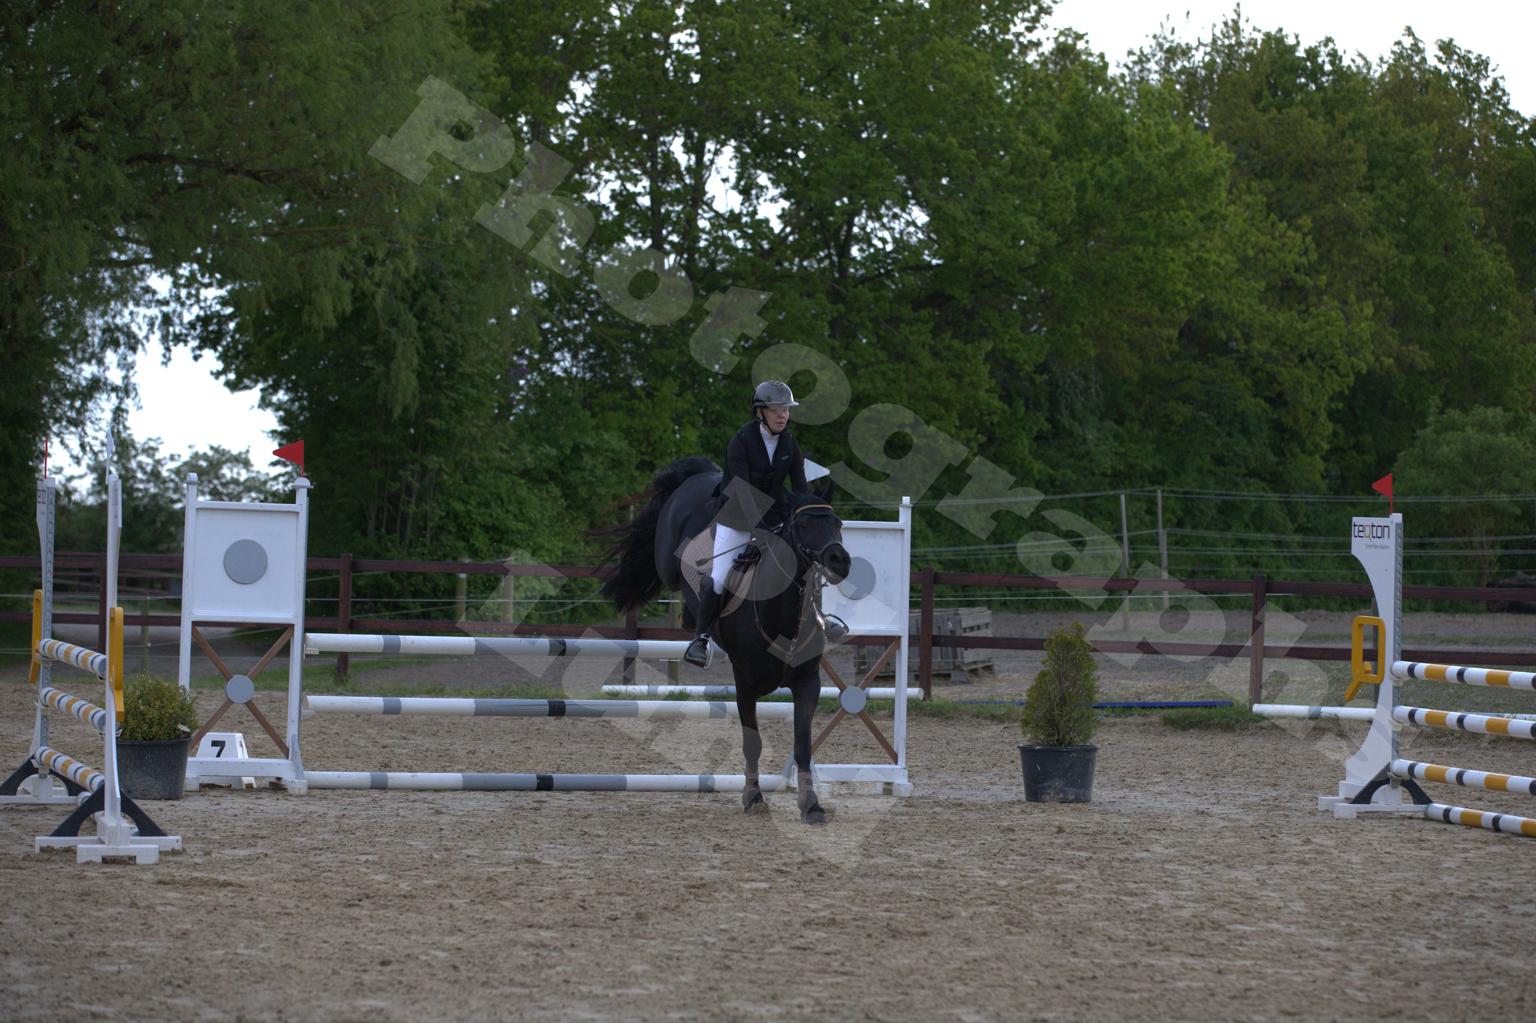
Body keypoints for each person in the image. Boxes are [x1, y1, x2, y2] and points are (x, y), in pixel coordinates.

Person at [684, 380, 808, 668]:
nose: (783, 415)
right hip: (738, 516)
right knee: (719, 577)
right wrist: (760, 532)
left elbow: (800, 487)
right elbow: (741, 490)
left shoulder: (789, 443)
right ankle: (701, 638)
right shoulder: (741, 440)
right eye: (776, 409)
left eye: (786, 409)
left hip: (775, 516)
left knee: (805, 562)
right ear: (760, 412)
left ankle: (819, 620)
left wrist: (810, 512)